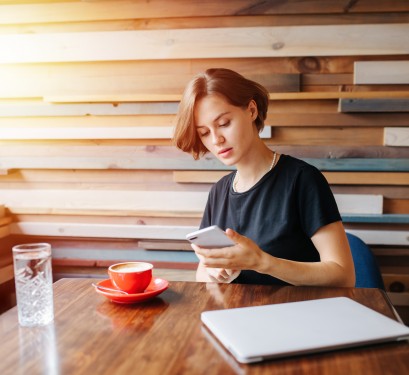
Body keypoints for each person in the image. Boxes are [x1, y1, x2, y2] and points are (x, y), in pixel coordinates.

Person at [173, 68, 355, 287]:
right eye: (204, 133)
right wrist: (217, 271)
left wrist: (262, 262)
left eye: (223, 124)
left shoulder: (302, 180)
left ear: (251, 110)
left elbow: (344, 276)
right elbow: (202, 271)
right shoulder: (219, 191)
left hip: (297, 315)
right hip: (238, 315)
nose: (216, 139)